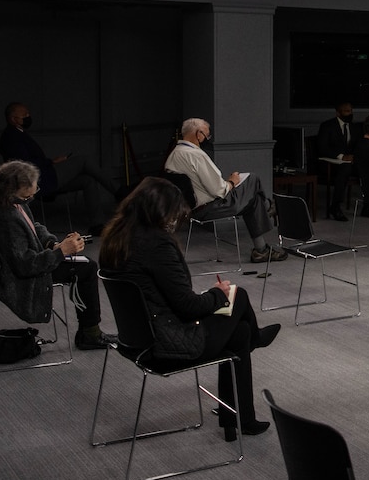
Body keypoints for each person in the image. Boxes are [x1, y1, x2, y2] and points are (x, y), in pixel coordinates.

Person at [99, 178, 279, 440]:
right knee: (238, 296)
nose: (175, 222)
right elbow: (188, 308)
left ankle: (240, 419)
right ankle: (257, 339)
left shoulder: (117, 237)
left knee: (238, 333)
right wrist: (218, 295)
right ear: (161, 212)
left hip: (136, 339)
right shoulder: (157, 245)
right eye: (174, 216)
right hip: (169, 344)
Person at [0, 160, 116, 350]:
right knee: (87, 267)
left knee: (83, 264)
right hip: (18, 275)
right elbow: (25, 265)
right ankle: (90, 334)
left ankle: (89, 332)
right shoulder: (5, 216)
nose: (31, 197)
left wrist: (53, 243)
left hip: (27, 260)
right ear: (13, 190)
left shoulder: (2, 199)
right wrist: (62, 252)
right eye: (28, 195)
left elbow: (33, 227)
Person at [163, 118, 287, 263]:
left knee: (252, 200)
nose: (207, 139)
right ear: (198, 134)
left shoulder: (174, 155)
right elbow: (218, 190)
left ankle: (261, 250)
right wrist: (232, 182)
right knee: (252, 178)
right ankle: (268, 207)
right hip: (211, 207)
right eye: (206, 135)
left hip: (191, 210)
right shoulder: (195, 155)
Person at [0, 102, 119, 234]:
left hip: (45, 178)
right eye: (25, 115)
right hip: (42, 180)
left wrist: (52, 161)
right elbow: (26, 165)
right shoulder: (12, 137)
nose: (28, 117)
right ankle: (119, 191)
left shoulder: (17, 134)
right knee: (84, 160)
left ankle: (97, 224)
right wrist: (51, 162)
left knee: (87, 181)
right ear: (13, 119)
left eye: (28, 114)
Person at [316, 101, 358, 221]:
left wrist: (355, 156)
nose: (349, 114)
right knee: (345, 169)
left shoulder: (354, 127)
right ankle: (335, 206)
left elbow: (357, 145)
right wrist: (341, 156)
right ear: (338, 113)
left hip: (350, 162)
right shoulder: (327, 126)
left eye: (350, 111)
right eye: (346, 111)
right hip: (330, 163)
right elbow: (322, 148)